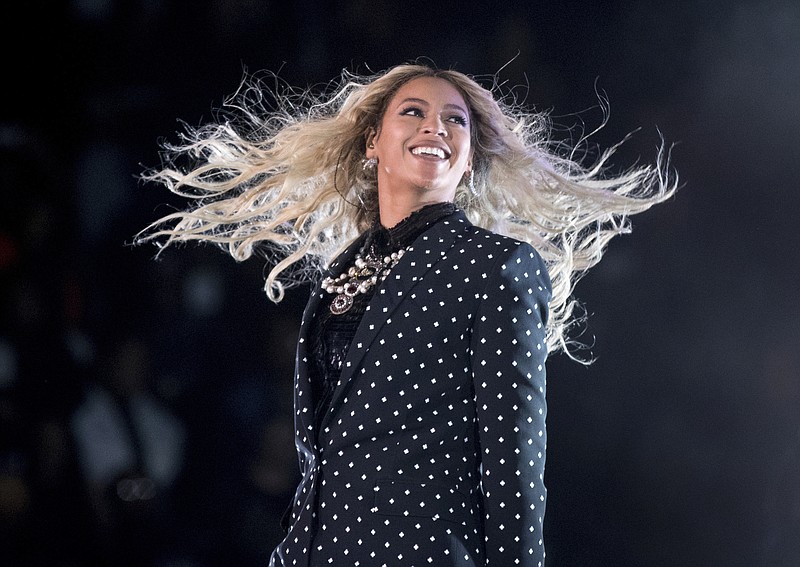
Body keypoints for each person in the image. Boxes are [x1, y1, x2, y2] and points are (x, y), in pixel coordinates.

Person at [136, 62, 677, 566]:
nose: (434, 127)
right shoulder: (341, 273)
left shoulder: (496, 265)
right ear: (374, 141)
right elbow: (324, 451)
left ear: (468, 159)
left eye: (454, 121)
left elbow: (515, 463)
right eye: (413, 111)